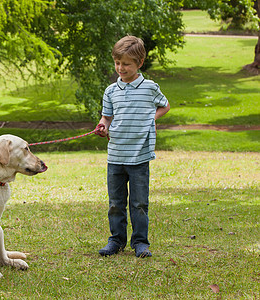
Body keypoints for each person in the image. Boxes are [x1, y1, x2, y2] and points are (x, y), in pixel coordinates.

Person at [96, 36, 170, 258]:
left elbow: (165, 106)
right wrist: (102, 126)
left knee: (138, 203)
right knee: (116, 203)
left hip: (139, 156)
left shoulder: (149, 88)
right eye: (117, 63)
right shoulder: (111, 91)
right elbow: (106, 118)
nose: (121, 68)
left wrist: (151, 120)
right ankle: (116, 241)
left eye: (126, 64)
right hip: (116, 155)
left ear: (139, 63)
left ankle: (140, 243)